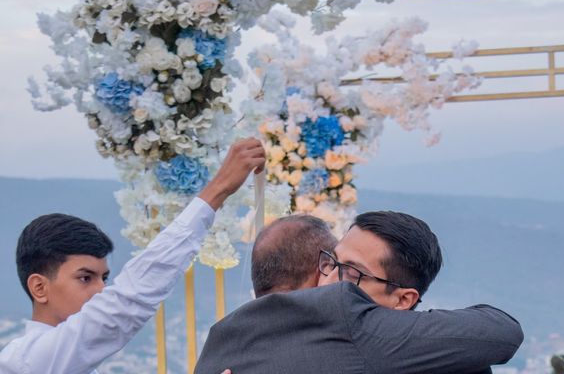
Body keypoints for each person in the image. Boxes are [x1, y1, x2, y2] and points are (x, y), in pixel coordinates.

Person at [0, 138, 266, 374]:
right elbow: (129, 299)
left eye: (104, 278)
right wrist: (216, 191)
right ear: (39, 287)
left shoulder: (67, 363)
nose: (102, 291)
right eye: (85, 278)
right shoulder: (29, 362)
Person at [195, 210, 524, 374]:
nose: (328, 282)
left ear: (403, 298)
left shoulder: (227, 330)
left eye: (351, 272)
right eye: (331, 262)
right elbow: (502, 333)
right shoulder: (342, 315)